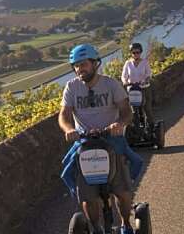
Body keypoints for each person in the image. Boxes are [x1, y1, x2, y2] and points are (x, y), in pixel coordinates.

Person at [58, 43, 137, 234]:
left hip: (110, 139)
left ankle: (126, 224)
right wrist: (68, 129)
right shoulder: (71, 87)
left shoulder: (111, 84)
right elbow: (64, 115)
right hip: (84, 142)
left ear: (95, 64)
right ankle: (97, 229)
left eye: (83, 64)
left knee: (123, 192)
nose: (79, 69)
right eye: (76, 65)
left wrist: (120, 124)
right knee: (87, 197)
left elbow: (127, 111)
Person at [121, 42, 154, 131]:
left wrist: (146, 80)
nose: (136, 54)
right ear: (131, 53)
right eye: (133, 52)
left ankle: (151, 128)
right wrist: (125, 82)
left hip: (144, 88)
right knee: (134, 111)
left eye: (137, 52)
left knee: (147, 109)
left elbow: (148, 74)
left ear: (140, 52)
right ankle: (137, 129)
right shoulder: (128, 63)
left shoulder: (145, 62)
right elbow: (124, 76)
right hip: (132, 89)